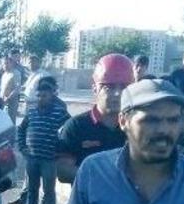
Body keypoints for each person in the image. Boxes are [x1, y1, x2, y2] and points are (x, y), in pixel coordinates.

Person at [56, 54, 134, 184]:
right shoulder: (77, 126)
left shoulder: (137, 127)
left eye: (124, 87)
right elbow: (63, 171)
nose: (117, 93)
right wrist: (104, 180)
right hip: (88, 196)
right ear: (95, 88)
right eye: (109, 87)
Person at [15, 79, 70, 204]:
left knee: (49, 191)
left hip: (49, 159)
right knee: (32, 189)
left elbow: (70, 129)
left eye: (44, 96)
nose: (40, 99)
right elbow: (21, 129)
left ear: (51, 95)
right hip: (32, 157)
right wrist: (22, 147)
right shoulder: (31, 111)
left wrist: (61, 150)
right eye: (38, 95)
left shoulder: (59, 112)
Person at [8, 54, 52, 204]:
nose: (32, 63)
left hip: (39, 116)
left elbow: (48, 97)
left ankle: (43, 200)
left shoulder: (43, 76)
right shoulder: (32, 75)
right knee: (30, 161)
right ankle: (26, 196)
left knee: (42, 164)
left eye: (34, 60)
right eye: (30, 61)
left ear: (39, 61)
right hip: (31, 113)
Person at [0, 56, 21, 123]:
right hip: (2, 101)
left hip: (12, 101)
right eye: (4, 64)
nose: (5, 65)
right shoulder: (4, 75)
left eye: (7, 63)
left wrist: (8, 98)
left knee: (10, 121)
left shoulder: (15, 73)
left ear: (11, 63)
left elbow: (17, 88)